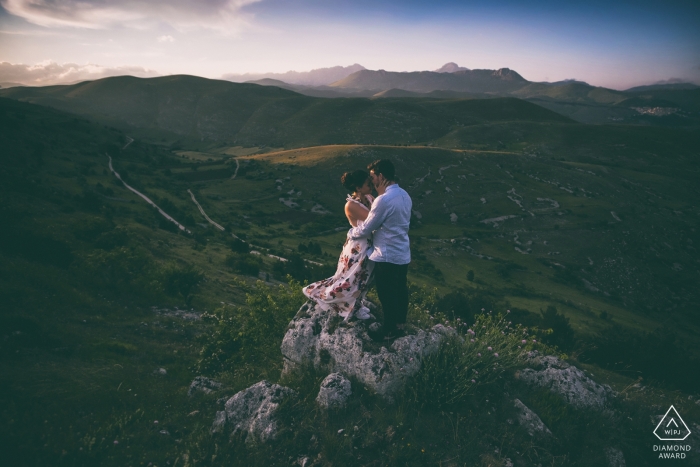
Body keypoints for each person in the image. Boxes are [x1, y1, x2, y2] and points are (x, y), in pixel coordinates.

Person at [348, 159, 412, 340]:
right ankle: (400, 325)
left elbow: (368, 227)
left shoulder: (383, 200)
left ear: (381, 176)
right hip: (402, 253)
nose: (371, 180)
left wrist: (352, 232)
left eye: (373, 177)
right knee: (400, 290)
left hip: (386, 255)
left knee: (387, 294)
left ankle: (388, 330)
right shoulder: (405, 195)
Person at [302, 170, 375, 320]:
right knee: (352, 278)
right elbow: (373, 220)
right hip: (358, 247)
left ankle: (357, 304)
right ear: (359, 188)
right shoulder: (351, 205)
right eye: (368, 183)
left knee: (364, 277)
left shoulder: (368, 197)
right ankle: (331, 298)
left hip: (368, 244)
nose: (371, 185)